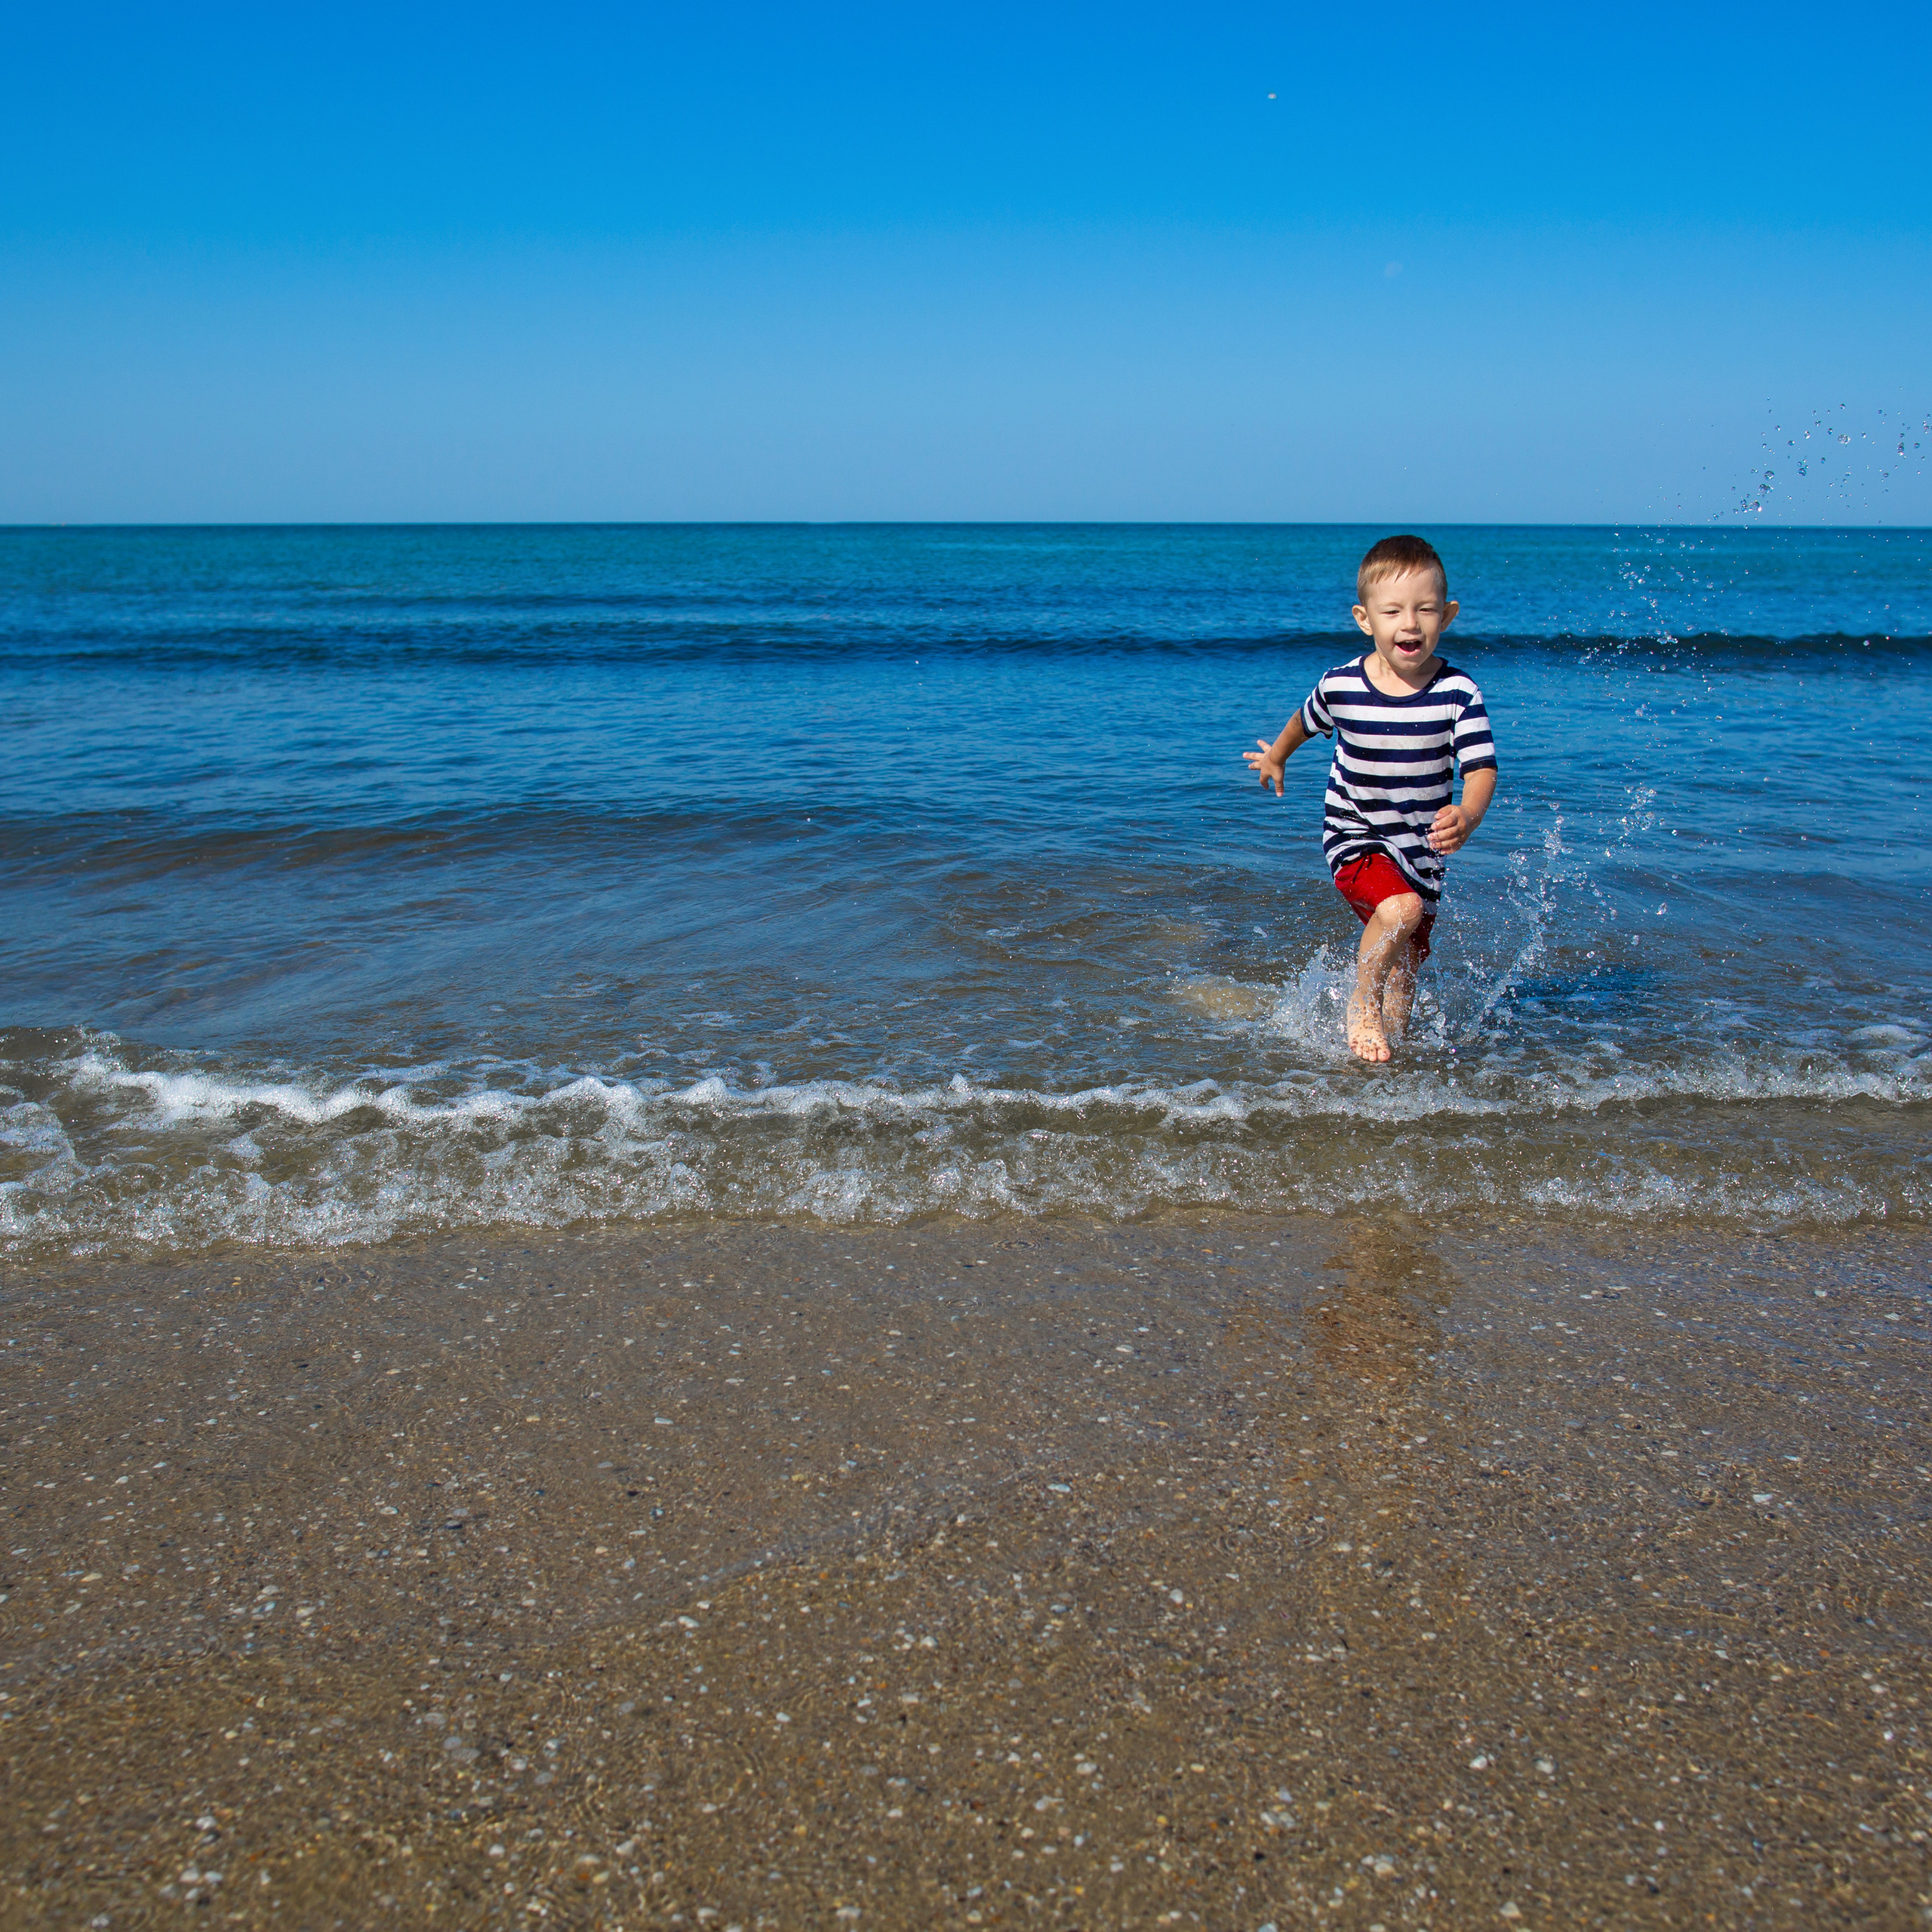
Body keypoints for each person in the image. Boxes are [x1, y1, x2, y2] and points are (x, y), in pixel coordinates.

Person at [1244, 534, 1498, 1063]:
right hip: (1355, 834)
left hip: (1421, 853)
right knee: (1398, 909)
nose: (1410, 623)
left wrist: (1469, 813)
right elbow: (1304, 722)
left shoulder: (1458, 692)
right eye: (1394, 611)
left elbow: (1480, 768)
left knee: (1406, 970)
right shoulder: (1342, 686)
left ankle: (1383, 1073)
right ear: (1366, 619)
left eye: (1425, 610)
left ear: (1447, 615)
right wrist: (1278, 757)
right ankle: (1362, 1002)